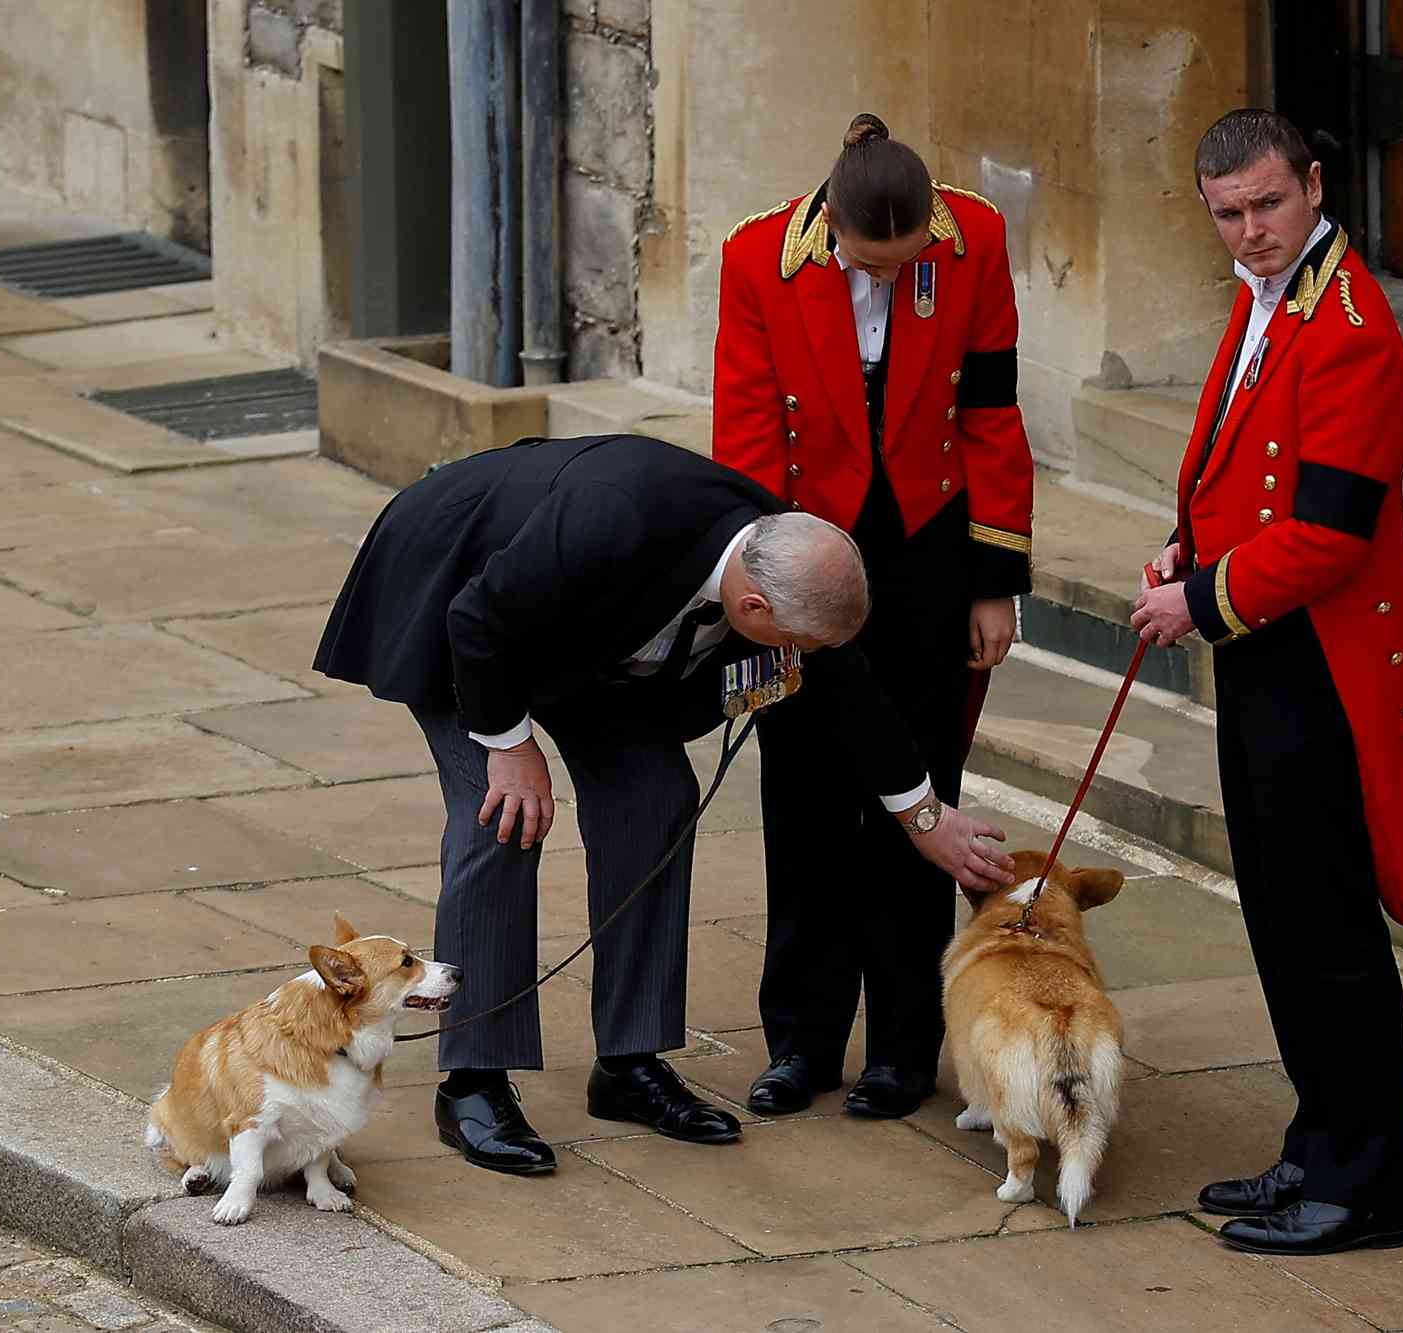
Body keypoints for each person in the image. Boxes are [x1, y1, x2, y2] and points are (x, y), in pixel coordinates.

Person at [314, 433, 1014, 1175]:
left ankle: (628, 1062)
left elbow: (850, 688)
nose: (803, 655)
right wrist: (514, 748)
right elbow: (478, 620)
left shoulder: (783, 553)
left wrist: (925, 818)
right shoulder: (611, 521)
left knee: (657, 793)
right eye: (796, 643)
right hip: (457, 598)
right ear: (751, 604)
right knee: (503, 817)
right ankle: (473, 1084)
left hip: (585, 640)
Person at [1129, 109, 1403, 1256]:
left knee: (1327, 929)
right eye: (1227, 216)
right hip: (1268, 647)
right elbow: (1233, 463)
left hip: (1324, 664)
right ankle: (1316, 1146)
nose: (1249, 233)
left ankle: (1367, 1189)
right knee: (1276, 913)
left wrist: (1194, 600)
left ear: (1311, 185)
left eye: (1266, 205)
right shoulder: (1272, 300)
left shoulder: (1349, 324)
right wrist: (1183, 545)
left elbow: (1329, 534)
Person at [712, 113, 1035, 1120]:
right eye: (872, 267)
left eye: (906, 267)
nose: (891, 282)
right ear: (835, 227)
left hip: (928, 551)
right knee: (802, 800)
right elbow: (745, 430)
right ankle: (798, 1045)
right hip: (805, 545)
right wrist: (768, 595)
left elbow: (989, 410)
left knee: (919, 794)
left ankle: (902, 1047)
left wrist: (993, 580)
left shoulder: (972, 235)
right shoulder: (754, 257)